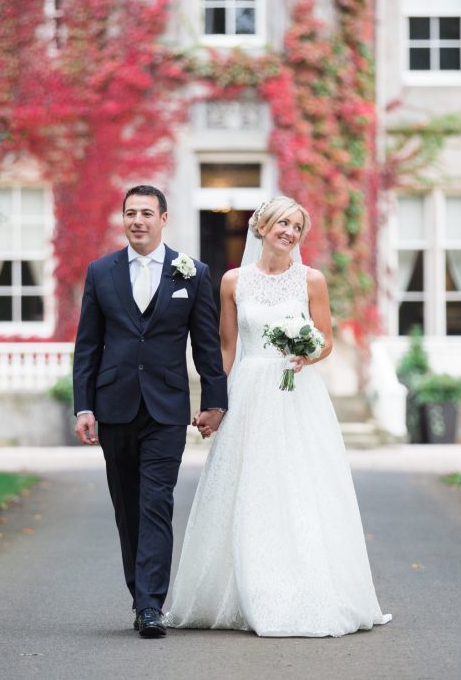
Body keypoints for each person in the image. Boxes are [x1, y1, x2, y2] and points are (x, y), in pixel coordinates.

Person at [166, 196, 392, 637]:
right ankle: (243, 588)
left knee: (300, 485)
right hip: (250, 390)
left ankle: (305, 588)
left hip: (295, 393)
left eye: (296, 227)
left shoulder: (312, 280)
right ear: (262, 227)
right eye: (282, 223)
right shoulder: (233, 281)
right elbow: (227, 347)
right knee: (249, 485)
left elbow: (325, 339)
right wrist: (215, 400)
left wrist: (307, 350)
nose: (289, 232)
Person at [72, 185, 228, 638]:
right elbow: (88, 347)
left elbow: (205, 344)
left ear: (164, 218)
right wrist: (84, 405)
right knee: (128, 508)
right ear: (123, 220)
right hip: (114, 406)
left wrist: (214, 402)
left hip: (165, 408)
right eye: (129, 213)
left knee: (156, 502)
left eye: (146, 213)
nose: (137, 220)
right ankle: (139, 592)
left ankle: (150, 606)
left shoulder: (191, 273)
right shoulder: (101, 273)